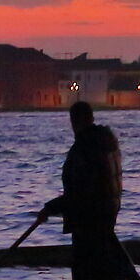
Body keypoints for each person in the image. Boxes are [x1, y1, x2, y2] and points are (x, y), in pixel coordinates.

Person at [44, 100, 122, 239]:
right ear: (91, 118)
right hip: (107, 217)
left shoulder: (85, 148)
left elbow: (81, 193)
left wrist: (50, 208)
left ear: (74, 121)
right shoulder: (106, 143)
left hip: (88, 221)